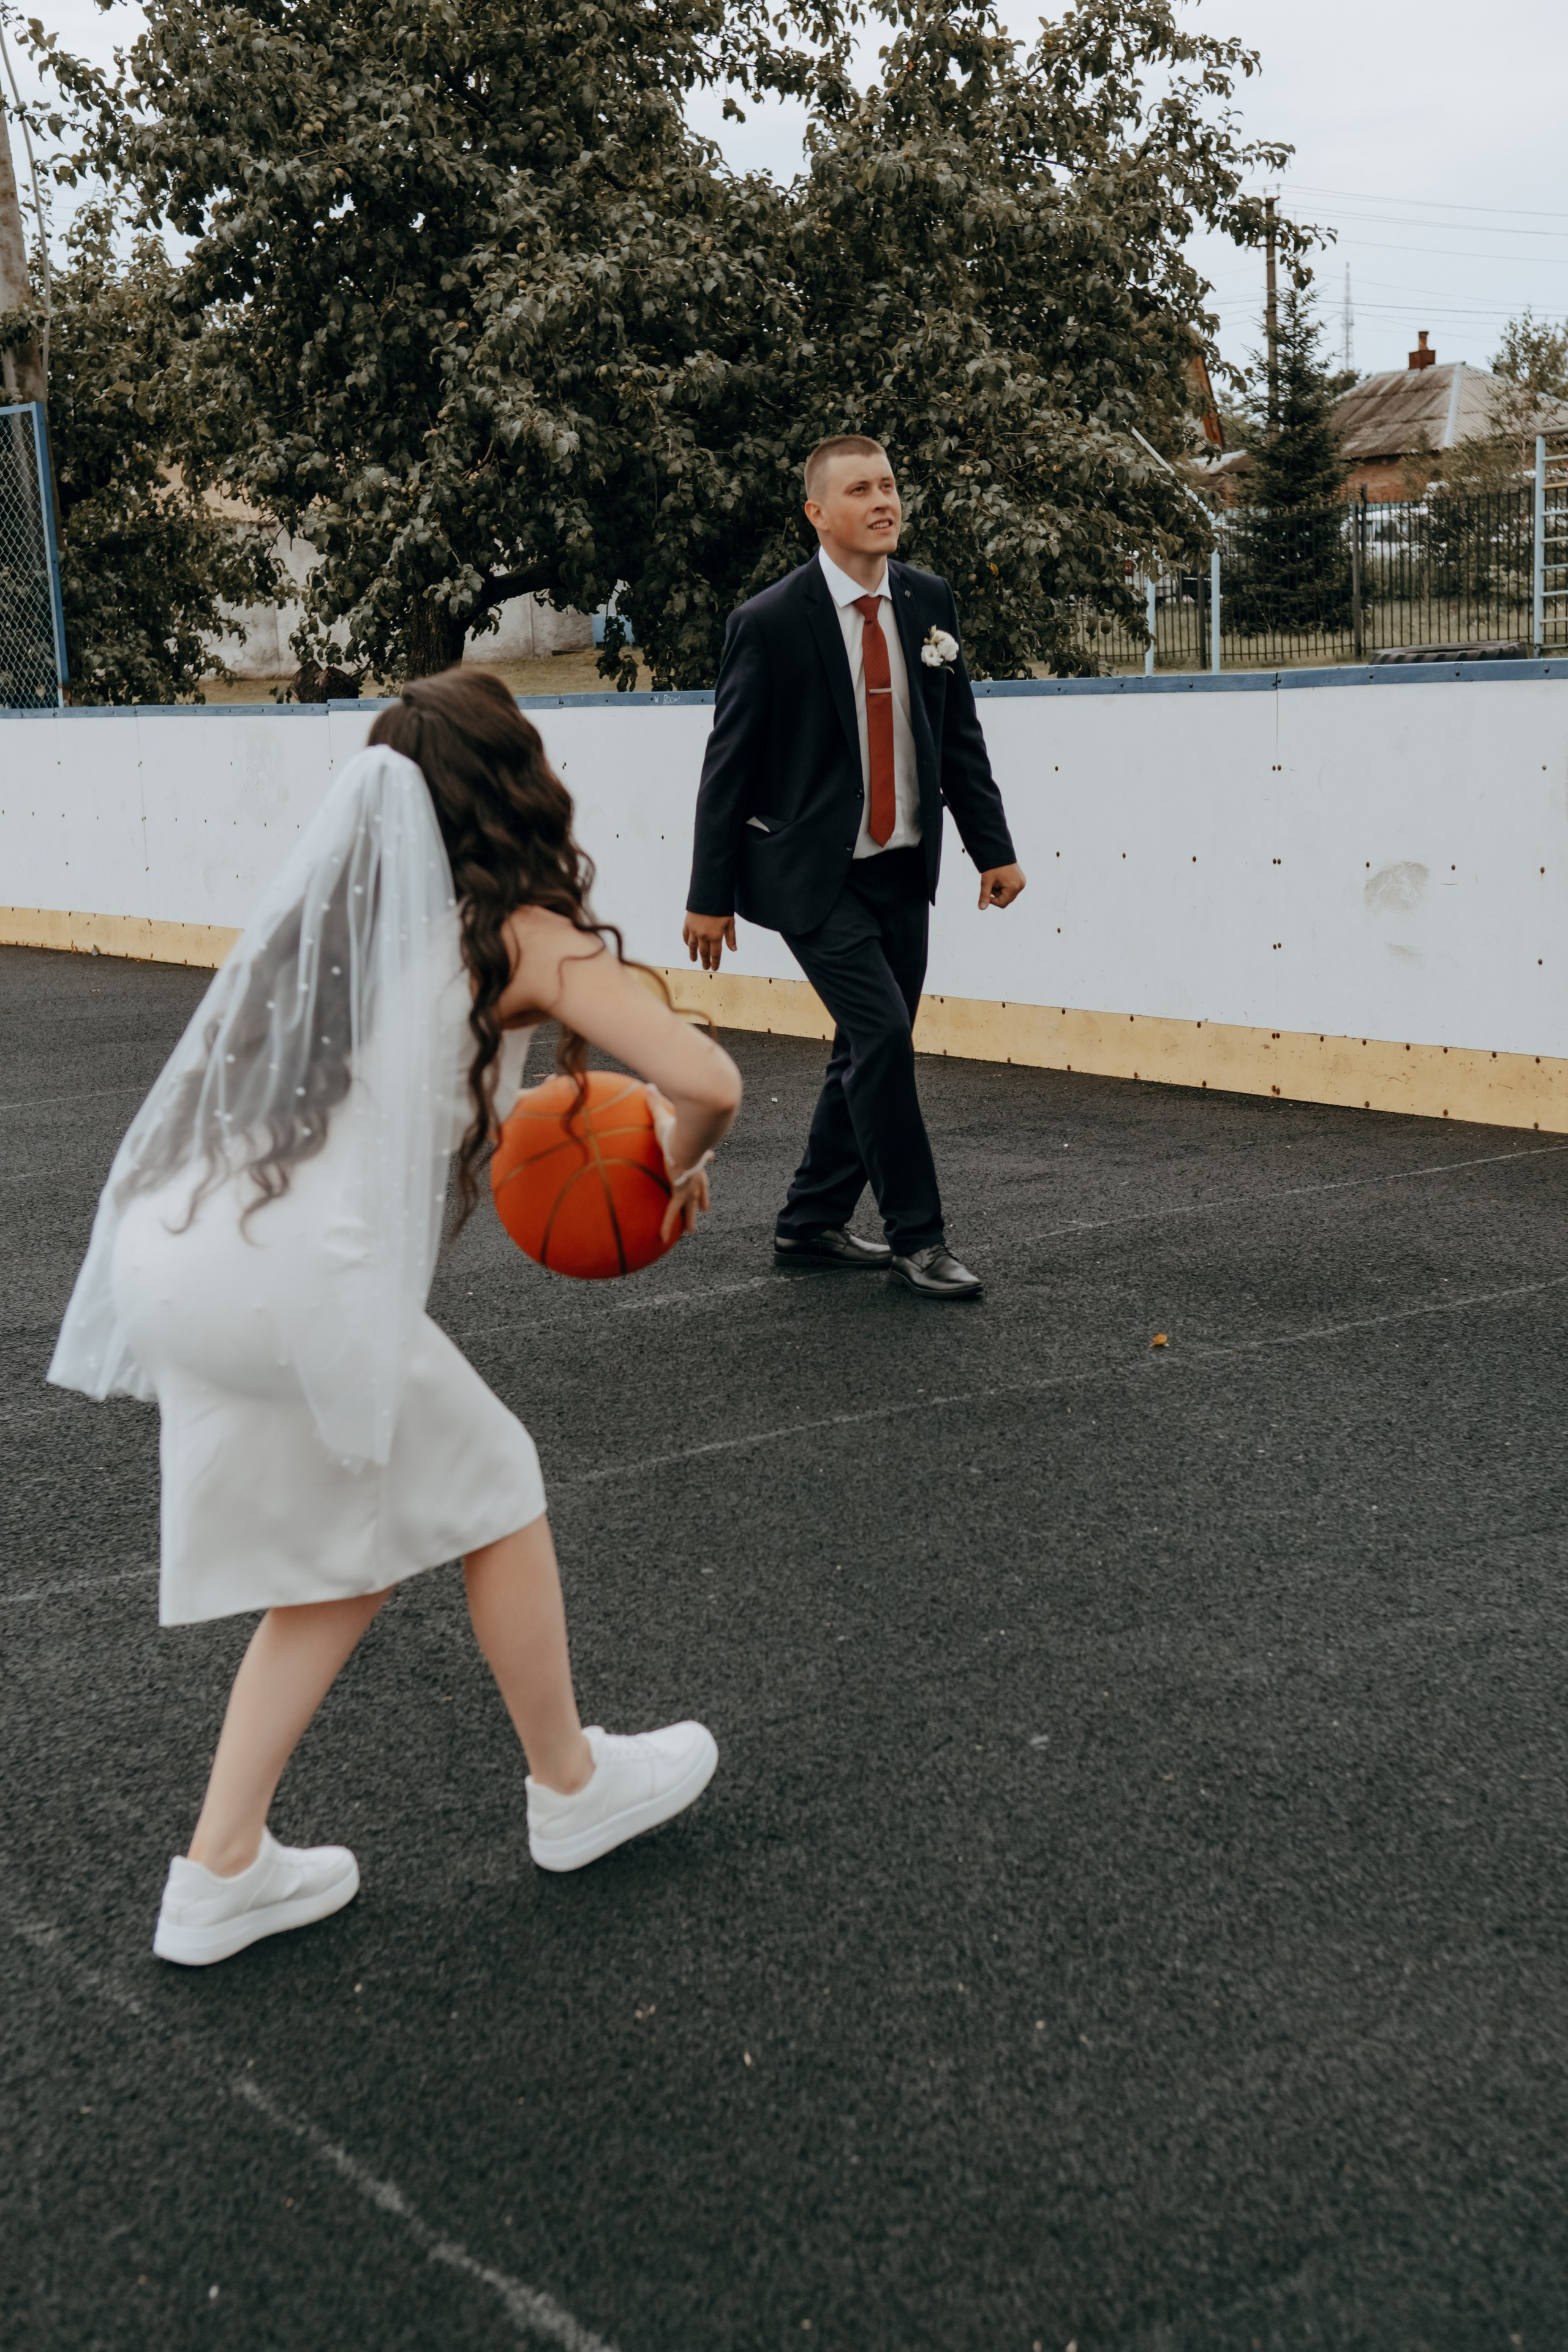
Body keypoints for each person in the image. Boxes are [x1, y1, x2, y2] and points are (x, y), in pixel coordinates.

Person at [48, 668, 743, 1967]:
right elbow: (708, 1078)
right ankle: (571, 1788)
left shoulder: (336, 927)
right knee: (497, 1479)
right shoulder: (524, 936)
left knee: (350, 1555)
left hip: (174, 1248)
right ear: (517, 787)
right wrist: (675, 1155)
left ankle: (221, 1870)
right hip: (290, 1278)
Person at [683, 434, 1026, 1303]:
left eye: (889, 485)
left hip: (903, 867)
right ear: (817, 513)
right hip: (812, 877)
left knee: (868, 1045)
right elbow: (727, 768)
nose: (883, 502)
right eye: (861, 490)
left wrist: (992, 848)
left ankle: (809, 1223)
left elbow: (958, 737)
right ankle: (921, 1239)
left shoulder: (928, 600)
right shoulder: (768, 621)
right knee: (879, 1038)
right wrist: (708, 897)